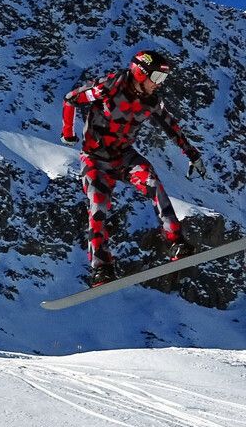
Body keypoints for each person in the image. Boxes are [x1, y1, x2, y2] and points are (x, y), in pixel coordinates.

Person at [61, 50, 207, 287]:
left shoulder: (151, 102)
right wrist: (68, 132)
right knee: (97, 207)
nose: (159, 84)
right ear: (141, 73)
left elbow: (171, 126)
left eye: (163, 80)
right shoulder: (108, 87)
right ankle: (101, 269)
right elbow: (71, 99)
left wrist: (192, 154)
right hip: (95, 158)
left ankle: (176, 242)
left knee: (153, 184)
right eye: (157, 78)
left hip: (123, 157)